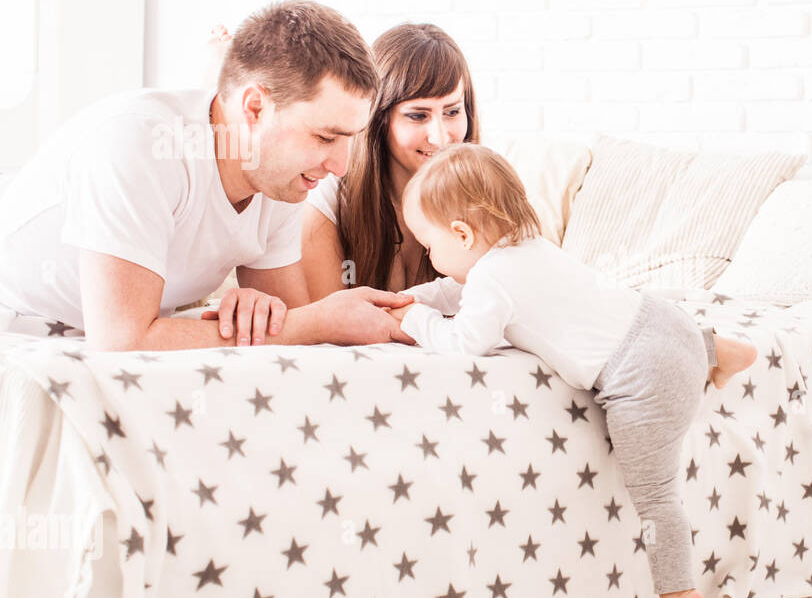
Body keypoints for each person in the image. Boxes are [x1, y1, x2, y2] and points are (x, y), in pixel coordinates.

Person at [393, 143, 750, 598]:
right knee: (660, 335)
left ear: (463, 234)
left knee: (655, 495)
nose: (430, 258)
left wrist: (412, 320)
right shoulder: (526, 248)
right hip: (667, 324)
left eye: (429, 246)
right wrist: (419, 296)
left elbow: (465, 340)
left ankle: (678, 593)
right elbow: (461, 289)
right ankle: (720, 352)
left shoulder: (492, 279)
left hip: (641, 377)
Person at [296, 21, 756, 387]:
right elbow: (337, 325)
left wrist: (413, 316)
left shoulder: (482, 190)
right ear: (378, 119)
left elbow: (542, 298)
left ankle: (700, 348)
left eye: (453, 111)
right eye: (418, 115)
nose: (441, 137)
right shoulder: (329, 204)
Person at [0, 0, 415, 351]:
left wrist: (263, 312)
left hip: (112, 345)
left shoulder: (280, 178)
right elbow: (121, 341)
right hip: (24, 331)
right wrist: (313, 323)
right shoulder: (141, 143)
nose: (340, 167)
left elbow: (285, 330)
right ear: (254, 108)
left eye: (349, 140)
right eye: (325, 137)